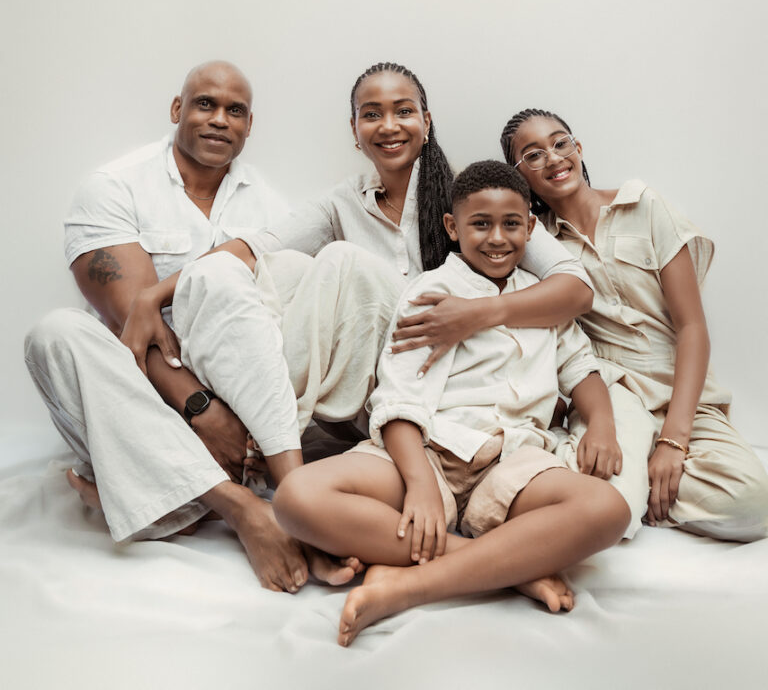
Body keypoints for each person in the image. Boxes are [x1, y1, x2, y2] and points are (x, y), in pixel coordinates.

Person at [124, 62, 596, 471]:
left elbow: (575, 288)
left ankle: (257, 440)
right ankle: (246, 428)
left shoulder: (472, 201)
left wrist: (471, 314)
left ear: (426, 121)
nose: (388, 125)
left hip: (446, 384)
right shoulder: (343, 202)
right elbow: (255, 246)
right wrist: (153, 295)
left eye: (403, 111)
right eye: (372, 115)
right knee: (273, 272)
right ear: (354, 131)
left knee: (343, 262)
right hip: (366, 389)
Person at [25, 61, 359, 592]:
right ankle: (241, 507)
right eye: (205, 104)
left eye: (235, 111)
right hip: (148, 402)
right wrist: (202, 412)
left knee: (313, 276)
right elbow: (136, 324)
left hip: (248, 402)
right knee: (55, 336)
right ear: (178, 109)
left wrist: (246, 421)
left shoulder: (268, 206)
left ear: (250, 126)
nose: (220, 120)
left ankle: (162, 490)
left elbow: (276, 327)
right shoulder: (114, 186)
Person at [273, 161, 630, 646]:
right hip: (428, 456)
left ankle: (410, 582)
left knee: (608, 508)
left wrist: (602, 425)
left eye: (511, 224)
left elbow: (581, 369)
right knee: (297, 497)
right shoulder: (433, 292)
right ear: (452, 228)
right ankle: (505, 566)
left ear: (530, 225)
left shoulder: (543, 300)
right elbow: (398, 399)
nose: (497, 238)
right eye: (480, 224)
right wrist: (419, 483)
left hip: (513, 462)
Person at [498, 108, 768, 542]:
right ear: (521, 176)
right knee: (605, 487)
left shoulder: (643, 205)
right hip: (611, 393)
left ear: (578, 149)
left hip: (681, 388)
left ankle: (632, 492)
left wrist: (673, 442)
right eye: (533, 155)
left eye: (560, 142)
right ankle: (615, 491)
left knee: (753, 504)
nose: (552, 158)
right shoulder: (535, 242)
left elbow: (692, 327)